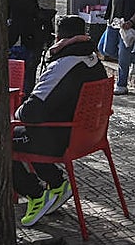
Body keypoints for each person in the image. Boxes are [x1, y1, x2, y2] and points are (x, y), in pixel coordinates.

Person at [12, 14, 106, 226]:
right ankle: (57, 184)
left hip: (60, 138)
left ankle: (35, 194)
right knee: (26, 133)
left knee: (1, 140)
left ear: (59, 39)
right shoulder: (94, 61)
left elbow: (30, 113)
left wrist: (16, 114)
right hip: (89, 136)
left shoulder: (63, 65)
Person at [6, 0, 46, 94]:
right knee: (27, 79)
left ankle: (20, 105)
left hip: (23, 45)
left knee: (20, 83)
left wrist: (6, 44)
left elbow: (15, 27)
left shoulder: (16, 2)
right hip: (32, 43)